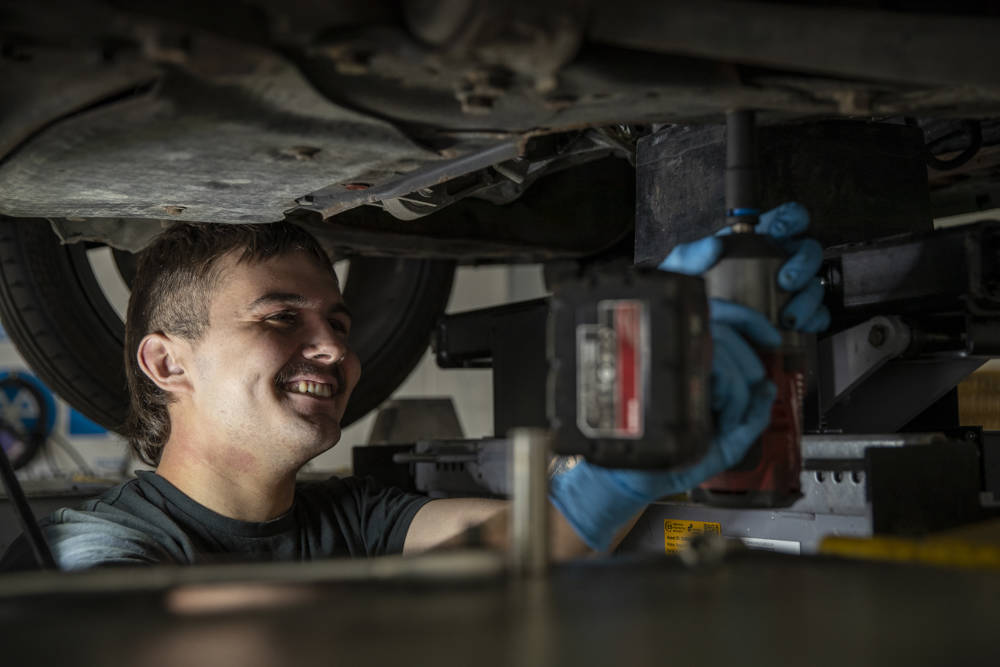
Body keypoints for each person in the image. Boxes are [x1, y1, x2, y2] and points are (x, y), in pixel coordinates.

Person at [0, 203, 827, 570]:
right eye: (280, 317)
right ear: (166, 362)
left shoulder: (350, 517)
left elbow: (531, 536)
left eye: (340, 321)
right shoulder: (91, 551)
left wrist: (652, 420)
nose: (330, 345)